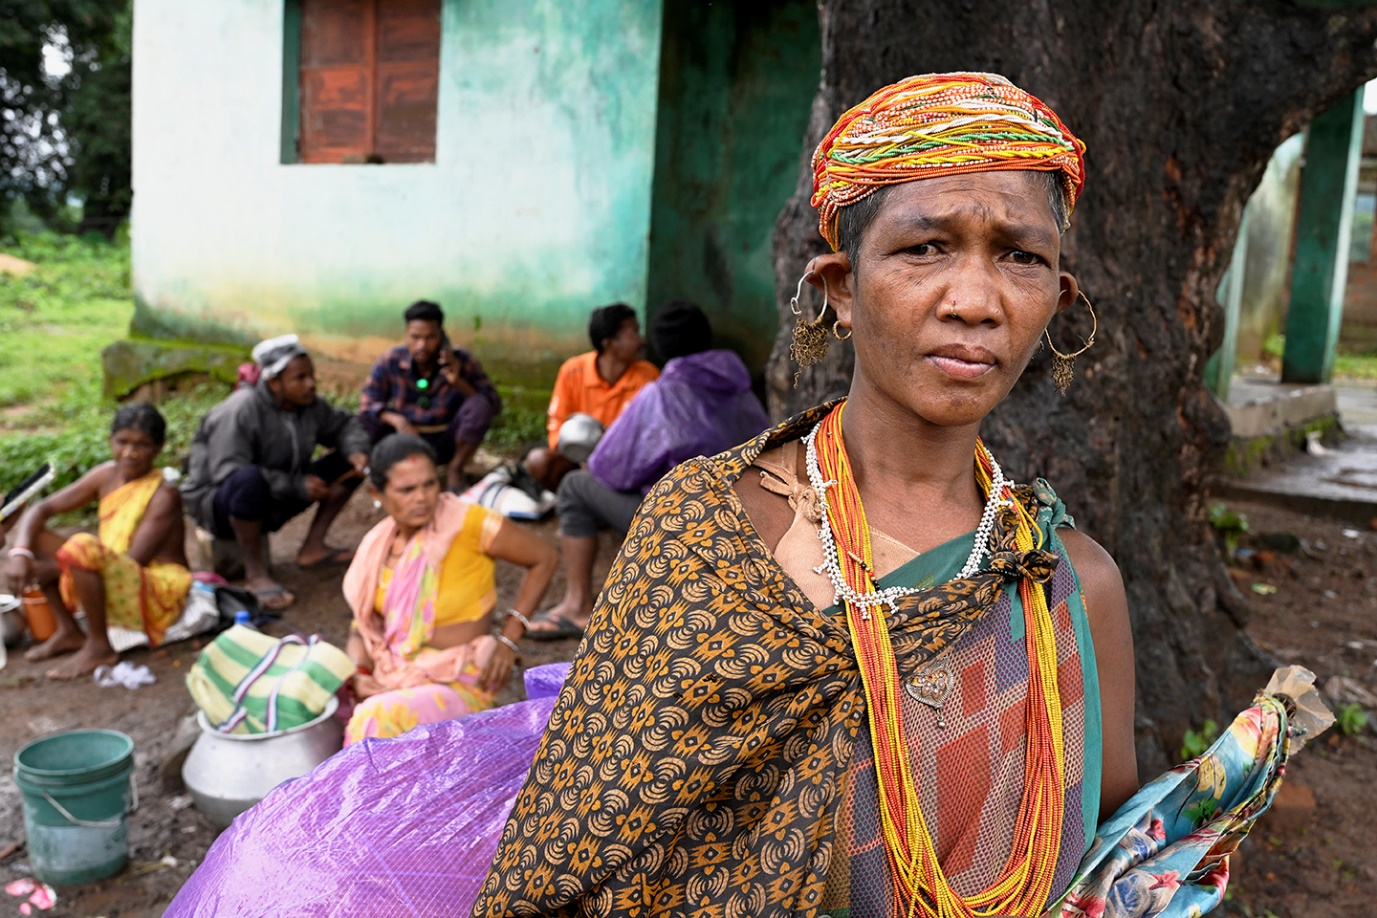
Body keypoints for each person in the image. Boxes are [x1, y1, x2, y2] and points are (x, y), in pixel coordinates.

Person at [164, 73, 1327, 918]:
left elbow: (1092, 861)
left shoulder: (1074, 588)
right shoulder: (707, 530)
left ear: (1056, 298)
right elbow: (590, 836)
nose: (977, 298)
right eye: (925, 247)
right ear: (837, 285)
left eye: (1019, 256)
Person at [527, 300, 769, 640]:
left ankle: (578, 606)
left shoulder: (657, 393)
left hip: (684, 525)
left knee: (574, 485)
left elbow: (608, 470)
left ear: (659, 345)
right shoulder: (741, 389)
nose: (638, 340)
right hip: (746, 519)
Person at [342, 434, 557, 744]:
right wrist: (360, 674)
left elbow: (545, 557)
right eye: (407, 489)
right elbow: (361, 628)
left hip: (459, 683)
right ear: (378, 492)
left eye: (429, 484)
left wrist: (509, 640)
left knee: (377, 717)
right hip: (391, 679)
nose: (422, 497)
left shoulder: (466, 522)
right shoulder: (376, 546)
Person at [181, 334, 370, 610]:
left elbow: (345, 426)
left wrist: (356, 451)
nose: (311, 384)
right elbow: (228, 472)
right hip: (220, 504)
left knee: (348, 465)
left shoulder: (310, 406)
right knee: (248, 480)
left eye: (311, 376)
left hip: (277, 492)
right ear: (273, 382)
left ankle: (313, 547)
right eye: (300, 378)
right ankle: (256, 574)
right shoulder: (240, 409)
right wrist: (296, 486)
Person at [4, 404, 191, 680]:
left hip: (156, 586)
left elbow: (129, 562)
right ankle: (69, 632)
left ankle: (100, 646)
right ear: (110, 441)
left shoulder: (164, 495)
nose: (129, 452)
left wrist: (58, 567)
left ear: (159, 448)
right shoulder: (107, 475)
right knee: (37, 538)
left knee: (80, 547)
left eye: (141, 444)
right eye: (122, 442)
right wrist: (20, 553)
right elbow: (40, 508)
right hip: (108, 567)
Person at [358, 300, 503, 491]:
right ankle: (390, 474)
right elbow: (368, 402)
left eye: (430, 338)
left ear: (442, 336)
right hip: (405, 439)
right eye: (415, 337)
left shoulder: (462, 360)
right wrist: (399, 422)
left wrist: (458, 381)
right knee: (365, 420)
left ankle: (455, 469)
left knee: (479, 404)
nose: (422, 345)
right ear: (406, 335)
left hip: (446, 440)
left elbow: (493, 405)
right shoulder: (391, 360)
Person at [523, 303, 659, 493]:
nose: (641, 340)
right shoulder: (572, 371)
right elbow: (556, 425)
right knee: (539, 461)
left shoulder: (649, 378)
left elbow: (652, 436)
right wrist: (579, 456)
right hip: (578, 458)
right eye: (633, 334)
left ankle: (604, 506)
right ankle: (574, 499)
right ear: (609, 344)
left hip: (623, 464)